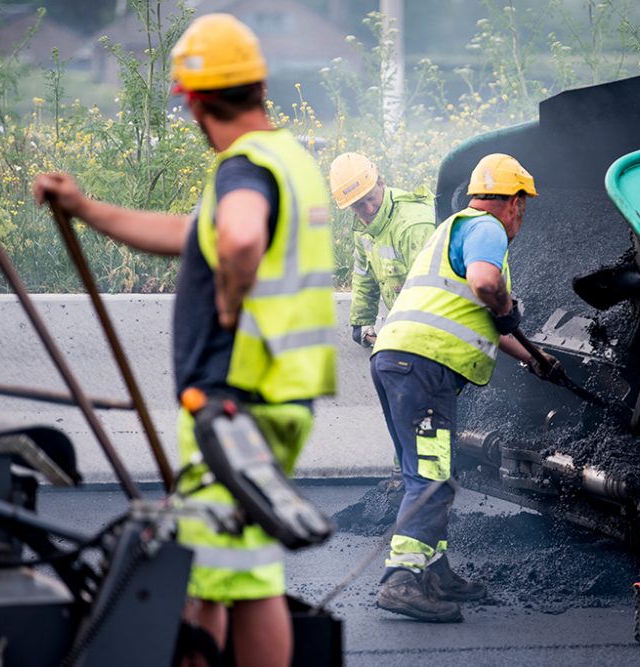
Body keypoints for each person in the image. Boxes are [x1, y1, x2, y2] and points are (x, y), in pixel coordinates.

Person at [33, 13, 335, 665]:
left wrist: (229, 299)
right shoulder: (290, 160)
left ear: (196, 102)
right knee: (221, 572)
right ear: (256, 85)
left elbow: (240, 236)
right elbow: (191, 233)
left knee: (247, 578)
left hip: (236, 406)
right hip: (273, 396)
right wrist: (86, 210)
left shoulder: (243, 167)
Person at [368, 153, 562, 623]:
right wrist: (507, 303)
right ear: (512, 202)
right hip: (425, 367)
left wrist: (534, 360)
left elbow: (486, 320)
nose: (522, 216)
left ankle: (436, 571)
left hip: (397, 360)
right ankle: (402, 579)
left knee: (429, 468)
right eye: (523, 206)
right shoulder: (487, 227)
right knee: (432, 474)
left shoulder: (450, 230)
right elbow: (484, 284)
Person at [328, 152, 435, 348]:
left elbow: (430, 291)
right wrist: (363, 320)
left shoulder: (413, 225)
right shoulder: (364, 228)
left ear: (381, 184)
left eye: (371, 198)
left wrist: (404, 337)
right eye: (359, 205)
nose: (368, 209)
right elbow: (364, 274)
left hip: (432, 324)